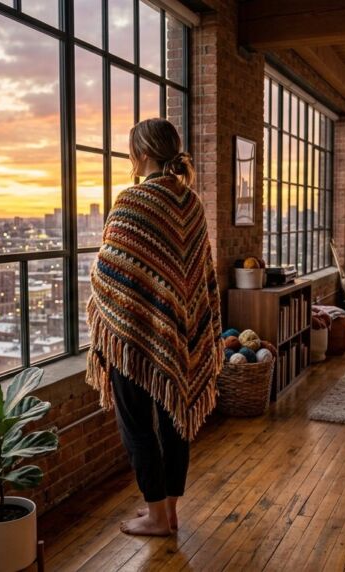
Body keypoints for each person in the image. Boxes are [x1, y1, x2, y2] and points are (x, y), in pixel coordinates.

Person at [85, 118, 224, 536]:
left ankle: (158, 516)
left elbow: (107, 270)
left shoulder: (132, 201)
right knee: (175, 420)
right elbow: (201, 275)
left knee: (136, 425)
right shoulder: (192, 203)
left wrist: (107, 299)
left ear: (139, 154)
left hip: (132, 335)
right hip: (178, 336)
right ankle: (171, 511)